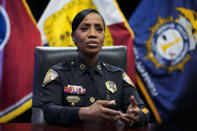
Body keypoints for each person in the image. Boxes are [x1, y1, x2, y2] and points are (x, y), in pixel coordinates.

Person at [42, 8, 149, 126]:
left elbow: (144, 110)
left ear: (103, 37)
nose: (93, 34)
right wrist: (84, 113)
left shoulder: (118, 75)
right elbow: (49, 111)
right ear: (73, 37)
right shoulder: (58, 73)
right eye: (84, 28)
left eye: (99, 29)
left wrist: (137, 114)